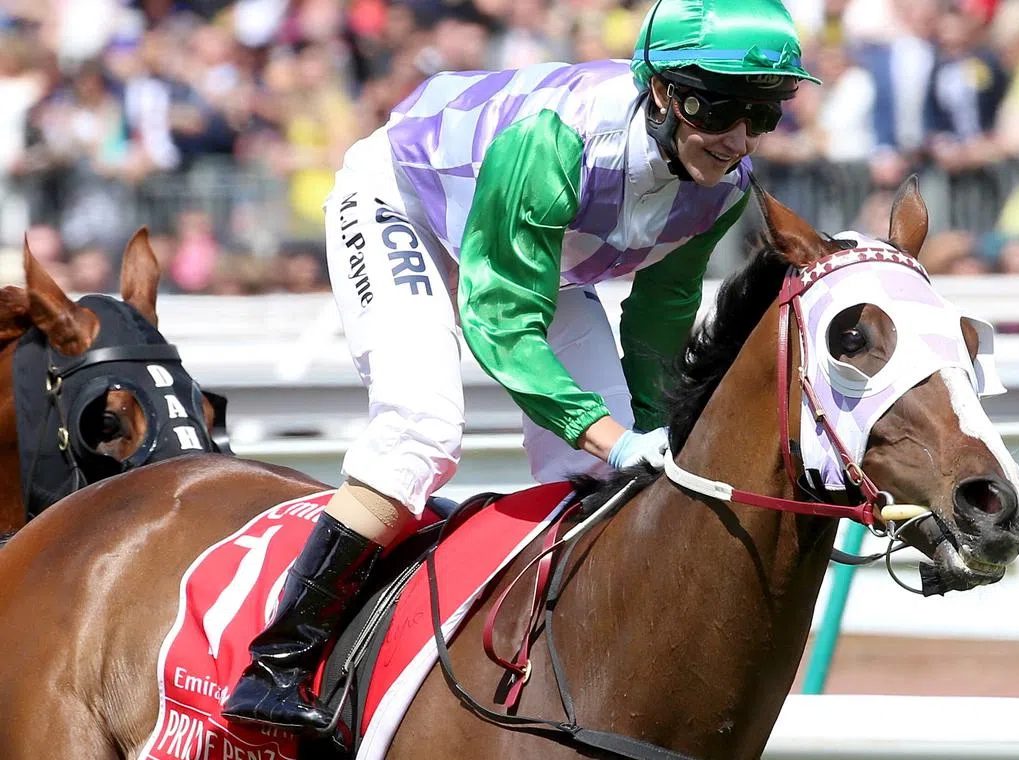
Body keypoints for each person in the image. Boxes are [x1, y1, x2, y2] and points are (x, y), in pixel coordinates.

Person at [222, 0, 819, 737]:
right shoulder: (555, 140)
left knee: (612, 471)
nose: (737, 139)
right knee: (422, 429)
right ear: (663, 91)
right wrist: (606, 432)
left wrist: (652, 429)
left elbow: (661, 315)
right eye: (720, 108)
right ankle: (278, 661)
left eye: (763, 115)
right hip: (404, 202)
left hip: (538, 245)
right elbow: (501, 319)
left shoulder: (722, 188)